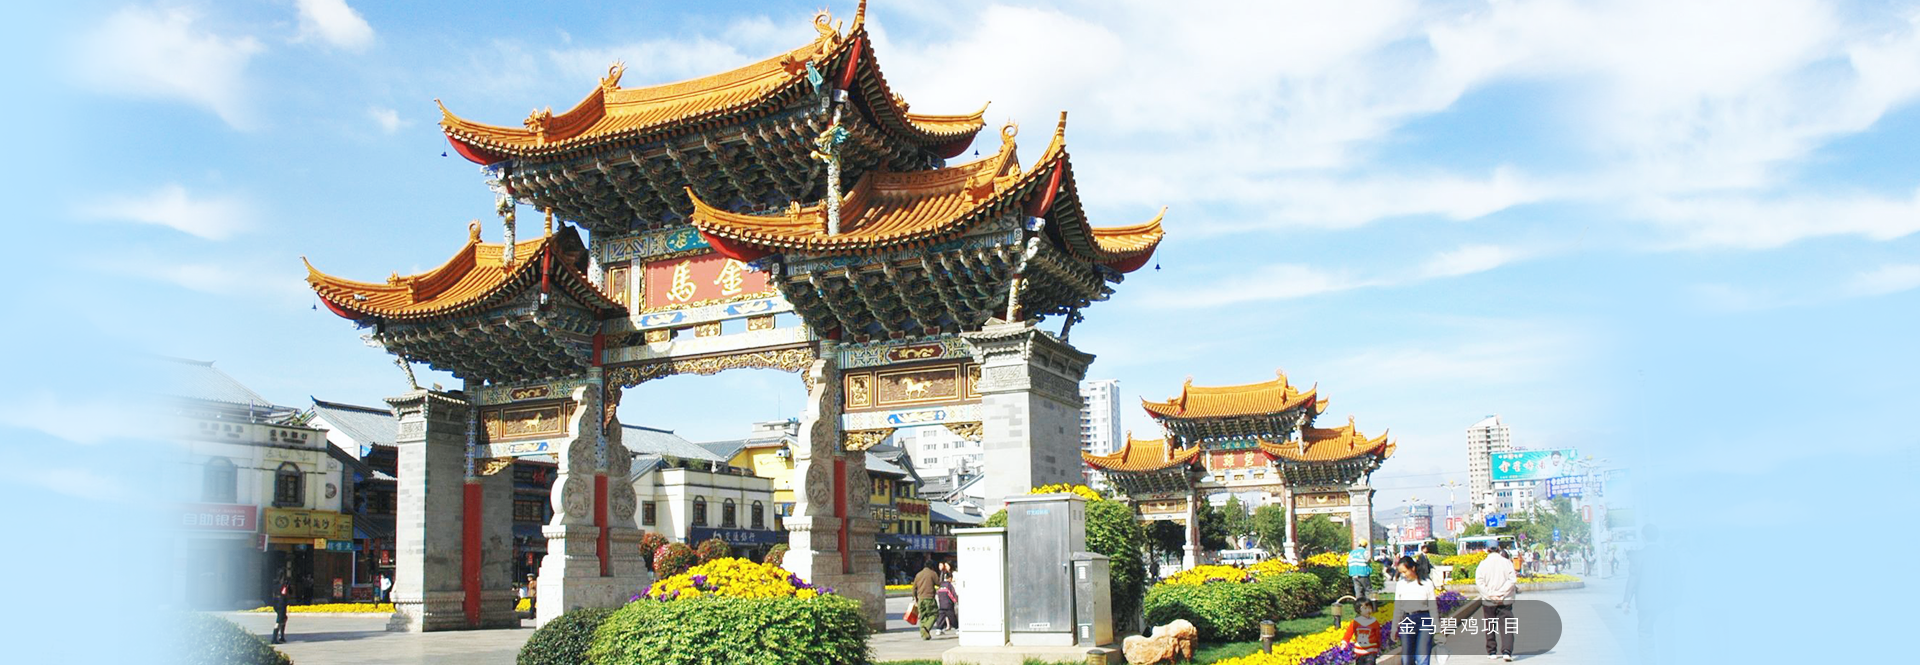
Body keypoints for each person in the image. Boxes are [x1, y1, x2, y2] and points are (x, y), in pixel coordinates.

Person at [1476, 545, 1519, 662]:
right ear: (1499, 549)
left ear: (1487, 550)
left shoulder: (1482, 564)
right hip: (1505, 600)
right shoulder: (1507, 563)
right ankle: (1507, 652)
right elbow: (1512, 580)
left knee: (1490, 625)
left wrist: (1491, 594)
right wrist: (1501, 594)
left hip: (1489, 601)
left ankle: (1492, 652)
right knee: (1507, 625)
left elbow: (1479, 582)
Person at [1393, 555, 1437, 665]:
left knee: (1422, 657)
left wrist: (1437, 629)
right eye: (1401, 573)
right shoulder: (1400, 584)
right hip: (1407, 619)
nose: (1403, 575)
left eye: (1405, 572)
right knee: (1406, 658)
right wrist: (1394, 628)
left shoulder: (1427, 583)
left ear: (1412, 568)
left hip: (1425, 620)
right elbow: (1398, 608)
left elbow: (1433, 607)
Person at [1342, 598, 1386, 665]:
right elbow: (1348, 633)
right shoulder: (1355, 622)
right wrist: (1344, 642)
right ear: (1358, 610)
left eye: (1369, 608)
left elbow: (1377, 635)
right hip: (1359, 651)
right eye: (1365, 608)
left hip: (1371, 651)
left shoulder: (1374, 622)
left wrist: (1379, 645)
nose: (1368, 610)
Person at [912, 558, 940, 640]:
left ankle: (925, 635)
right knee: (934, 614)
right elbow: (939, 583)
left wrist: (915, 598)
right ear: (932, 566)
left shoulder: (918, 574)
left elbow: (914, 588)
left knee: (923, 617)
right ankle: (926, 628)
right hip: (930, 598)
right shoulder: (933, 573)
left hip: (921, 599)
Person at [934, 571, 959, 635]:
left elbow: (938, 594)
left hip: (942, 604)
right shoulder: (949, 585)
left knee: (941, 618)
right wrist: (956, 601)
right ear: (950, 578)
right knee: (952, 617)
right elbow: (952, 594)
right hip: (948, 604)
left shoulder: (941, 585)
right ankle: (957, 628)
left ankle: (938, 629)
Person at [271, 577, 291, 644]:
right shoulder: (283, 586)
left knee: (284, 618)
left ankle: (282, 636)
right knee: (279, 621)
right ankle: (274, 639)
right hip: (281, 604)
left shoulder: (275, 585)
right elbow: (284, 593)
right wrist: (287, 586)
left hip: (276, 604)